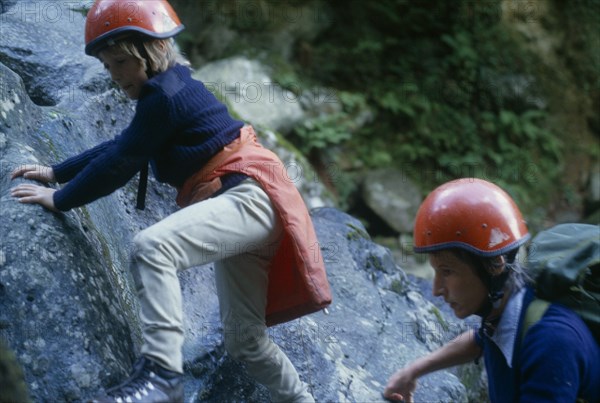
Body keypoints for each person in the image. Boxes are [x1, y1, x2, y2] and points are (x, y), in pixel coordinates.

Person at [10, 0, 331, 402]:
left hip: (249, 197)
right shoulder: (171, 87)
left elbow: (121, 162)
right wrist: (57, 172)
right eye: (108, 66)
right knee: (245, 342)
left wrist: (60, 199)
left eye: (121, 62)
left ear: (151, 50)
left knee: (152, 248)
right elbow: (124, 146)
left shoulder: (165, 95)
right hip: (248, 202)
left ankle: (162, 376)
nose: (115, 76)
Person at [383, 178, 600, 403]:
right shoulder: (508, 310)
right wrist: (413, 371)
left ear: (496, 265)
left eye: (447, 272)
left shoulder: (552, 343)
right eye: (435, 271)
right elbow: (480, 339)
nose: (436, 289)